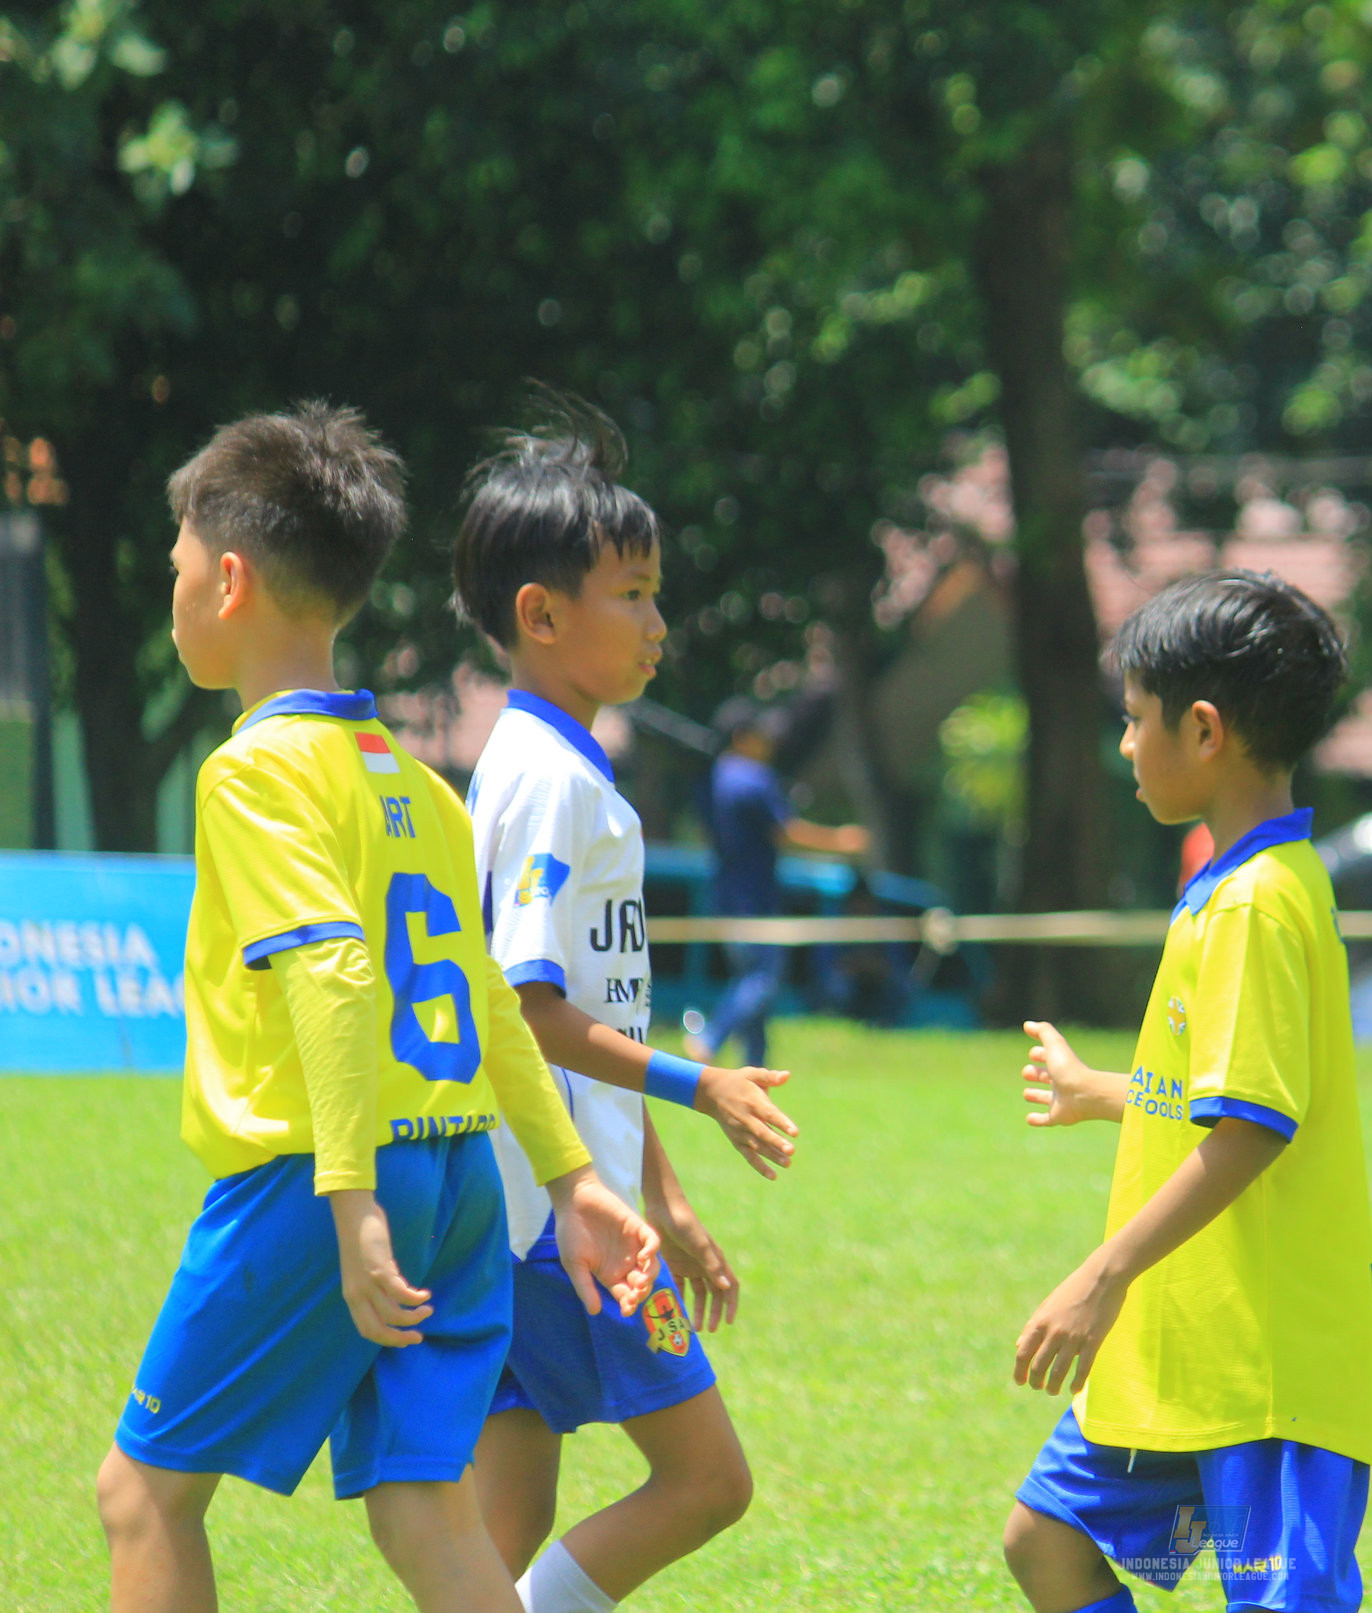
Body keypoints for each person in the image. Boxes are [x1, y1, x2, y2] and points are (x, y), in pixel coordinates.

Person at [97, 404, 659, 1613]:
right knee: (426, 1507)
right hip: (457, 1177)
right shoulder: (416, 780)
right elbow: (491, 1003)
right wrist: (570, 1181)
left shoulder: (252, 771)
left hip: (321, 1180)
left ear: (230, 580)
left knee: (143, 1494)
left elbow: (337, 975)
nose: (173, 590)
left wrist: (349, 1202)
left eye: (179, 565)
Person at [450, 410, 802, 1613]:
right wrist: (703, 1084)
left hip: (530, 1198)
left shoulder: (545, 764)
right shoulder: (551, 781)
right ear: (542, 614)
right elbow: (528, 1006)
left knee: (504, 1523)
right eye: (635, 594)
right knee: (707, 1480)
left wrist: (665, 1189)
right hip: (555, 1218)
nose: (659, 623)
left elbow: (596, 1013)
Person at [1001, 571, 1372, 1613]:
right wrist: (1108, 1091)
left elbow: (1253, 1128)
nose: (1125, 745)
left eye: (1134, 719)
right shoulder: (1232, 886)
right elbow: (1228, 1088)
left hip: (1266, 1369)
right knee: (1046, 1538)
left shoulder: (1257, 901)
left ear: (1203, 729)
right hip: (1186, 1355)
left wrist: (1101, 1275)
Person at [685, 702, 868, 1066]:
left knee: (751, 977)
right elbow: (787, 833)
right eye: (761, 735)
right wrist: (841, 841)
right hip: (755, 898)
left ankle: (756, 1065)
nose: (769, 742)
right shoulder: (755, 778)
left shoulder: (711, 781)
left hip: (724, 893)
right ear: (741, 738)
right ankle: (710, 1038)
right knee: (762, 979)